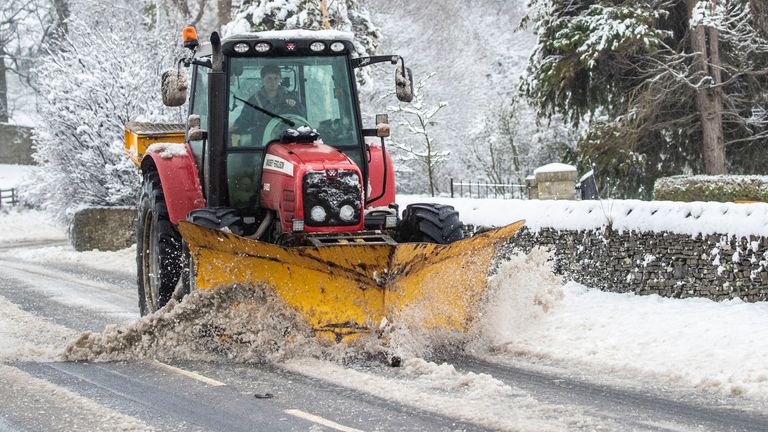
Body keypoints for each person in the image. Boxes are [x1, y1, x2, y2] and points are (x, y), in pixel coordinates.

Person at [230, 65, 303, 146]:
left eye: (276, 78)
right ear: (262, 79)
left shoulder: (291, 97)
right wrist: (233, 129)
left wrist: (294, 107)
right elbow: (244, 121)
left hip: (286, 142)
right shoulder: (254, 101)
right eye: (269, 78)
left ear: (280, 79)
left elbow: (301, 118)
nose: (273, 82)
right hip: (260, 145)